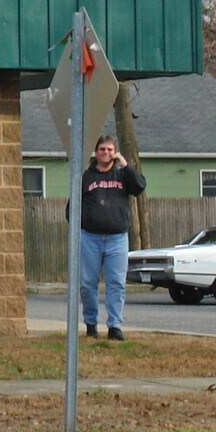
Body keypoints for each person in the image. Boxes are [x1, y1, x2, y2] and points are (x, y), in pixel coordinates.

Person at [79, 134, 145, 340]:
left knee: (116, 283)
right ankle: (91, 324)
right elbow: (74, 206)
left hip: (117, 238)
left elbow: (139, 187)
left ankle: (114, 326)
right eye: (102, 149)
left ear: (114, 152)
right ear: (96, 152)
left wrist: (125, 166)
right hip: (90, 238)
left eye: (109, 150)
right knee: (88, 284)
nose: (105, 153)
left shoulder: (122, 175)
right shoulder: (87, 177)